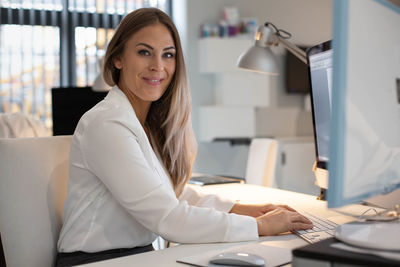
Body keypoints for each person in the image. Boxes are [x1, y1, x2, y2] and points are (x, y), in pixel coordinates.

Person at [56, 8, 312, 267]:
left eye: (168, 55)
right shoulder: (107, 124)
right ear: (118, 58)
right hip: (94, 261)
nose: (158, 66)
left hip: (135, 256)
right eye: (144, 52)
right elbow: (167, 216)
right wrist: (259, 226)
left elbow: (172, 194)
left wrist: (243, 210)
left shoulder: (142, 123)